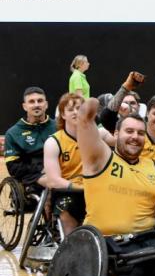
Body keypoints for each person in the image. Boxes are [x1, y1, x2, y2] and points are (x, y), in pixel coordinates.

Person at [76, 98, 155, 236]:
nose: (135, 137)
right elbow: (85, 122)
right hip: (105, 243)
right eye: (129, 131)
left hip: (146, 242)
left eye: (140, 133)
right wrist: (91, 105)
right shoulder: (101, 158)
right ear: (116, 134)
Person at [43, 93, 115, 234]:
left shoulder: (98, 134)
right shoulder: (53, 142)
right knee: (66, 212)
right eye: (70, 109)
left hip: (97, 189)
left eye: (79, 108)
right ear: (63, 115)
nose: (76, 112)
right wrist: (81, 187)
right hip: (69, 191)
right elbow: (53, 181)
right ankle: (72, 249)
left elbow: (121, 141)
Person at [4, 87, 56, 189]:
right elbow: (13, 167)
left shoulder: (59, 126)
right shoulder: (13, 133)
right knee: (56, 184)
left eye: (40, 101)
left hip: (62, 170)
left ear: (46, 105)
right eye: (31, 102)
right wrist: (41, 168)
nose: (36, 105)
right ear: (25, 106)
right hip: (32, 177)